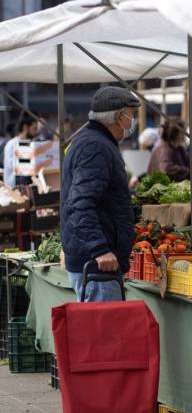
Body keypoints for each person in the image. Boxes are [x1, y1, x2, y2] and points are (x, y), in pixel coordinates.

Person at [61, 86, 138, 301]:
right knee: (103, 332)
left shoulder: (94, 141)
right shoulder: (95, 146)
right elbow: (80, 203)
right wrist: (99, 249)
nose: (132, 121)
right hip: (97, 265)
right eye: (131, 115)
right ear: (119, 116)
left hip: (97, 263)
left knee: (101, 331)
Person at [3, 115, 39, 188]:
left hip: (30, 183)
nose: (36, 132)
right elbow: (10, 165)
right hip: (15, 185)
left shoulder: (31, 143)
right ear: (25, 127)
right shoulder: (12, 144)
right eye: (34, 128)